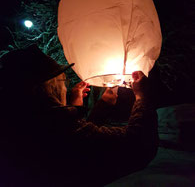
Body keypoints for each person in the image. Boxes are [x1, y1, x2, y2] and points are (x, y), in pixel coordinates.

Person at [0, 44, 158, 187]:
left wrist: (87, 107)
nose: (65, 85)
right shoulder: (58, 130)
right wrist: (143, 98)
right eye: (62, 80)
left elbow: (81, 146)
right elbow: (138, 145)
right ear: (45, 89)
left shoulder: (19, 123)